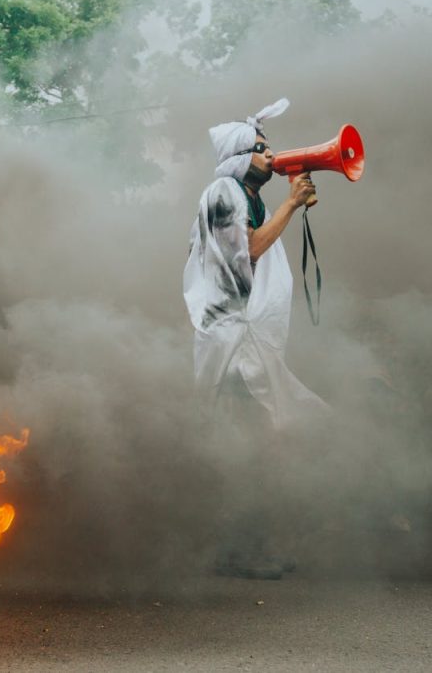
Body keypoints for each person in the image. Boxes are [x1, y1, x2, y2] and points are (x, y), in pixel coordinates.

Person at [183, 98, 328, 579]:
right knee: (250, 449)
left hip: (247, 344)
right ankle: (239, 550)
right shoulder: (225, 192)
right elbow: (249, 252)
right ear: (240, 157)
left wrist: (286, 205)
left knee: (264, 443)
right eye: (261, 149)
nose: (272, 155)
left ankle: (244, 545)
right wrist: (290, 203)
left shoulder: (248, 197)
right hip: (233, 348)